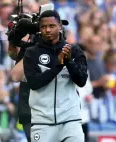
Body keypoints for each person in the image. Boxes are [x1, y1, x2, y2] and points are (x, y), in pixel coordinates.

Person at [23, 10, 88, 142]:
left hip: (70, 120)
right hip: (42, 122)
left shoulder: (74, 50)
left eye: (51, 26)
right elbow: (34, 83)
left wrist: (69, 61)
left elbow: (81, 81)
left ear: (60, 26)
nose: (47, 30)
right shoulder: (31, 53)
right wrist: (58, 66)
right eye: (43, 26)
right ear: (39, 29)